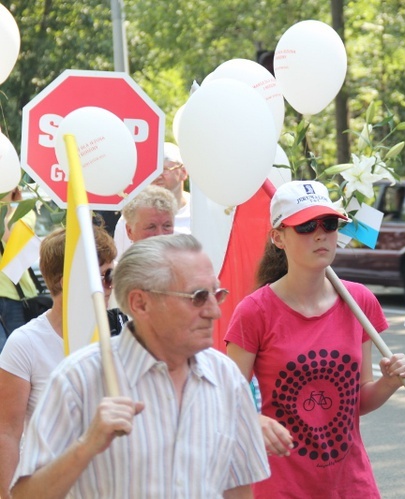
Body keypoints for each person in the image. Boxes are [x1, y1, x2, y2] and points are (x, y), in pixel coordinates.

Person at [11, 234, 269, 498]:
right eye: (198, 297)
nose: (215, 311)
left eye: (217, 294)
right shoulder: (78, 379)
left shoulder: (226, 378)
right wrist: (86, 446)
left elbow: (238, 490)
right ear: (140, 303)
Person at [225, 180, 405, 498]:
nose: (320, 234)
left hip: (352, 484)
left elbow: (357, 402)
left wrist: (389, 383)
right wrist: (252, 420)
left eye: (328, 223)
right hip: (280, 487)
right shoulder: (254, 311)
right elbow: (226, 402)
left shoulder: (360, 301)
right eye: (305, 226)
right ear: (278, 237)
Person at [0, 225, 125, 497]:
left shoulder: (125, 333)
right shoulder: (26, 343)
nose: (110, 286)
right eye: (103, 276)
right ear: (67, 280)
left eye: (112, 275)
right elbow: (7, 431)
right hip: (52, 483)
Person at [113, 143, 189, 255]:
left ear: (183, 172)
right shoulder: (132, 215)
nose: (157, 175)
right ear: (129, 231)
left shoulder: (201, 212)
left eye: (164, 169)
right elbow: (120, 261)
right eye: (151, 226)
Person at [0, 186, 40, 338]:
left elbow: (8, 234)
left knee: (17, 356)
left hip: (16, 297)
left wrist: (12, 207)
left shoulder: (26, 212)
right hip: (12, 296)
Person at [112, 184, 177, 259]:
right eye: (151, 227)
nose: (160, 234)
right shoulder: (122, 269)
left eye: (167, 226)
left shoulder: (186, 267)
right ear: (129, 231)